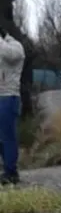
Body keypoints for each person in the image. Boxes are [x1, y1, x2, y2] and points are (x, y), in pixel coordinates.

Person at [0, 28, 24, 185]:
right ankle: (6, 169)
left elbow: (10, 56)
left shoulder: (15, 46)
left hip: (8, 96)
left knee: (7, 136)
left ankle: (11, 172)